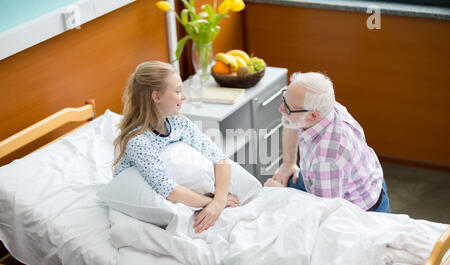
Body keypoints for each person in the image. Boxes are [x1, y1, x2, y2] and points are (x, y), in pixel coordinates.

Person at [113, 61, 239, 233]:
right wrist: (215, 203)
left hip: (187, 193)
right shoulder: (137, 141)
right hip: (143, 200)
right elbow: (169, 191)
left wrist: (219, 200)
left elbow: (220, 159)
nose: (184, 96)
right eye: (178, 90)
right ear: (156, 97)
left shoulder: (177, 122)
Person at [264, 71, 390, 213]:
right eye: (284, 99)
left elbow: (324, 213)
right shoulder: (324, 105)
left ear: (313, 115)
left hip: (358, 212)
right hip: (337, 181)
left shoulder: (327, 159)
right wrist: (288, 163)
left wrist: (280, 194)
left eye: (287, 107)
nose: (280, 109)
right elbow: (290, 120)